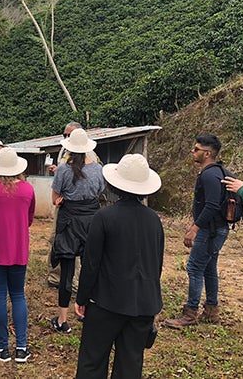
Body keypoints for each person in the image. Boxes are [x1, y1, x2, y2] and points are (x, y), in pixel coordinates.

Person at [75, 154, 164, 379]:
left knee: (92, 361)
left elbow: (91, 263)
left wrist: (82, 297)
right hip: (143, 304)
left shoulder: (104, 217)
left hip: (106, 301)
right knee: (130, 365)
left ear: (114, 184)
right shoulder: (154, 220)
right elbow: (156, 264)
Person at [0, 147, 35, 363]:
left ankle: (2, 348)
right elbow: (29, 219)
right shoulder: (28, 190)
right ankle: (21, 347)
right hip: (18, 246)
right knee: (18, 294)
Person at [165, 134, 229, 328]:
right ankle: (211, 310)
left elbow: (212, 205)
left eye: (196, 149)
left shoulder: (209, 175)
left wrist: (195, 228)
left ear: (207, 153)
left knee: (194, 268)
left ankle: (190, 313)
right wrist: (195, 222)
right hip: (216, 229)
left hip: (210, 231)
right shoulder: (218, 172)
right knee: (209, 268)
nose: (192, 152)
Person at [50, 128, 104, 333]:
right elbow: (99, 192)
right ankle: (86, 312)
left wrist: (62, 199)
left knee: (67, 272)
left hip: (69, 221)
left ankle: (62, 320)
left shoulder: (63, 169)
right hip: (92, 220)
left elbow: (55, 198)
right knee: (91, 268)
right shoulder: (98, 169)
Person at [47, 122, 97, 289]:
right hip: (70, 207)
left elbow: (88, 181)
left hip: (75, 209)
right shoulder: (64, 151)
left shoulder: (90, 156)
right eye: (65, 135)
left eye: (70, 135)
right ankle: (56, 277)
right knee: (58, 240)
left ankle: (72, 282)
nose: (67, 137)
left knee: (74, 246)